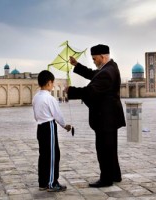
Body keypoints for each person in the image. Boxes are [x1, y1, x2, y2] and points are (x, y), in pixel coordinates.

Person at [65, 44, 126, 188]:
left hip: (105, 118)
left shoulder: (107, 72)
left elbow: (91, 92)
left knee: (104, 149)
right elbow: (94, 74)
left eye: (94, 59)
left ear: (102, 57)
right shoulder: (110, 67)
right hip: (110, 117)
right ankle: (115, 174)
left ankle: (106, 179)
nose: (93, 61)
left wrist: (71, 91)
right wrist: (77, 65)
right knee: (111, 148)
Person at [32, 70, 71, 192]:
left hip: (40, 127)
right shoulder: (49, 98)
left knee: (43, 155)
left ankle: (43, 183)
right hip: (49, 127)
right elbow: (57, 115)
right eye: (52, 83)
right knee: (53, 155)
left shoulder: (36, 97)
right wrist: (65, 126)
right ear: (49, 83)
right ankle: (52, 183)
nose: (53, 85)